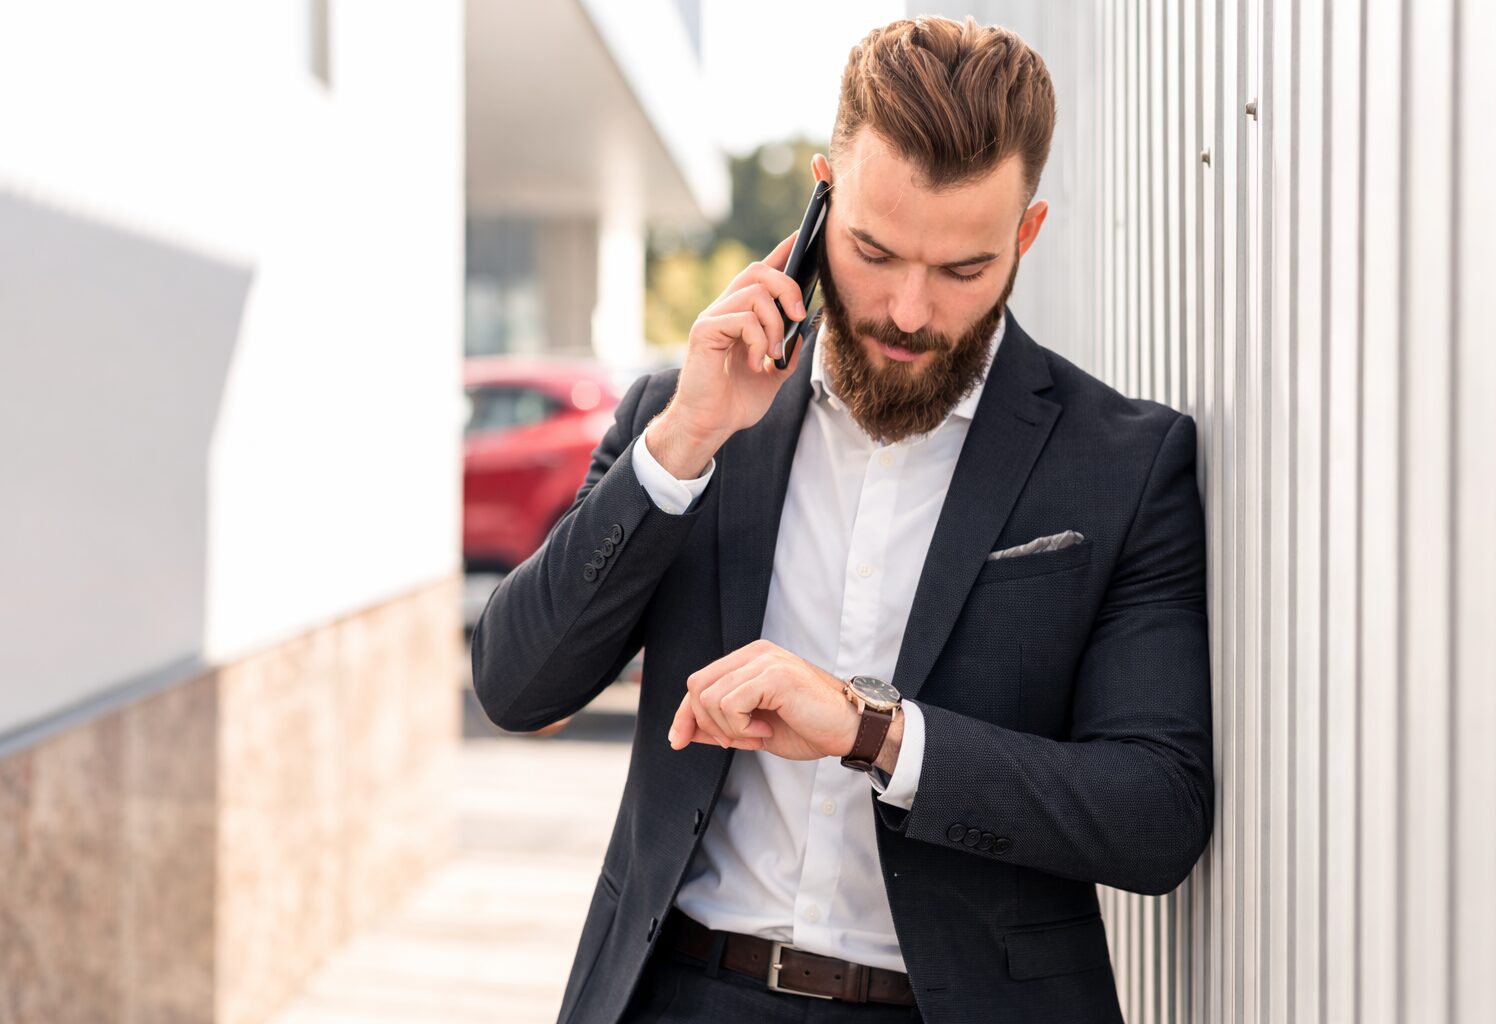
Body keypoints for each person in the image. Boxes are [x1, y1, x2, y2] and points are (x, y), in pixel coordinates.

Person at [471, 16, 1213, 1024]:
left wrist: (877, 734)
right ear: (822, 199)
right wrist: (685, 440)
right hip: (680, 993)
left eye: (962, 270)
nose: (908, 310)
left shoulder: (1123, 462)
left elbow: (1156, 811)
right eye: (873, 250)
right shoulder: (682, 419)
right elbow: (516, 685)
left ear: (1026, 235)